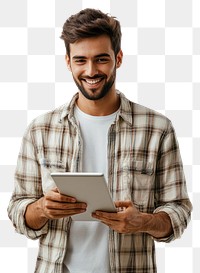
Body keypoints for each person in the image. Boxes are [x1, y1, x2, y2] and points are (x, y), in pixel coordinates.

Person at [8, 8, 192, 273]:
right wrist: (41, 209)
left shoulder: (157, 129)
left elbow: (179, 211)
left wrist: (142, 221)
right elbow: (18, 210)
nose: (91, 70)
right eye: (81, 60)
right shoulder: (40, 130)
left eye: (101, 59)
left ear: (118, 59)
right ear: (68, 62)